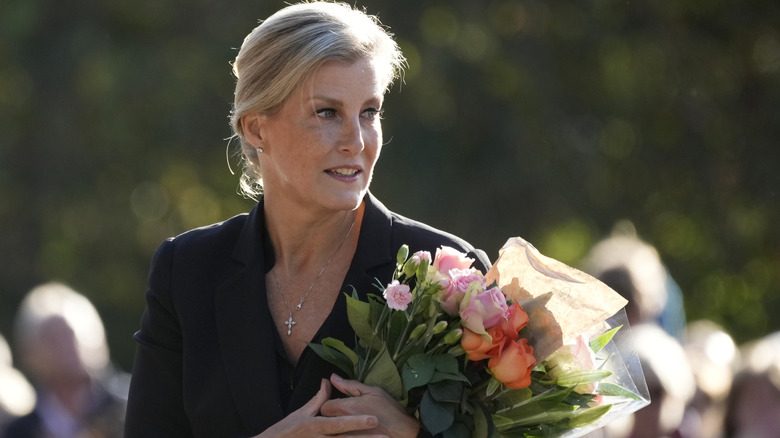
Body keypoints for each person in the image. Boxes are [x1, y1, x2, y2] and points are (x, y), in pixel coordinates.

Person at [123, 2, 490, 437]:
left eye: (369, 112)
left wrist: (414, 435)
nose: (356, 141)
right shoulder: (186, 271)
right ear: (257, 130)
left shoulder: (448, 273)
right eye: (327, 112)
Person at [2, 282, 126, 438]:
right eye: (55, 338)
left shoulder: (132, 408)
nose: (70, 346)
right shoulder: (19, 432)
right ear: (29, 353)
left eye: (73, 334)